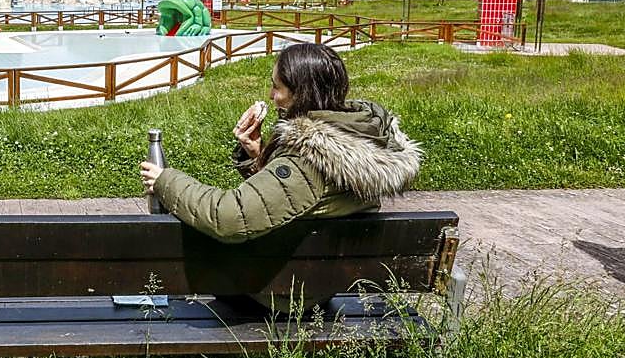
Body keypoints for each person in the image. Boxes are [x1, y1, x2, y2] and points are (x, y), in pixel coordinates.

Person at [139, 42, 422, 245]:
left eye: (277, 86)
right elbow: (301, 199)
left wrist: (165, 180)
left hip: (284, 290)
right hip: (327, 278)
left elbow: (229, 217)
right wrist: (259, 155)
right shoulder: (364, 138)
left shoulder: (309, 159)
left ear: (301, 93)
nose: (271, 95)